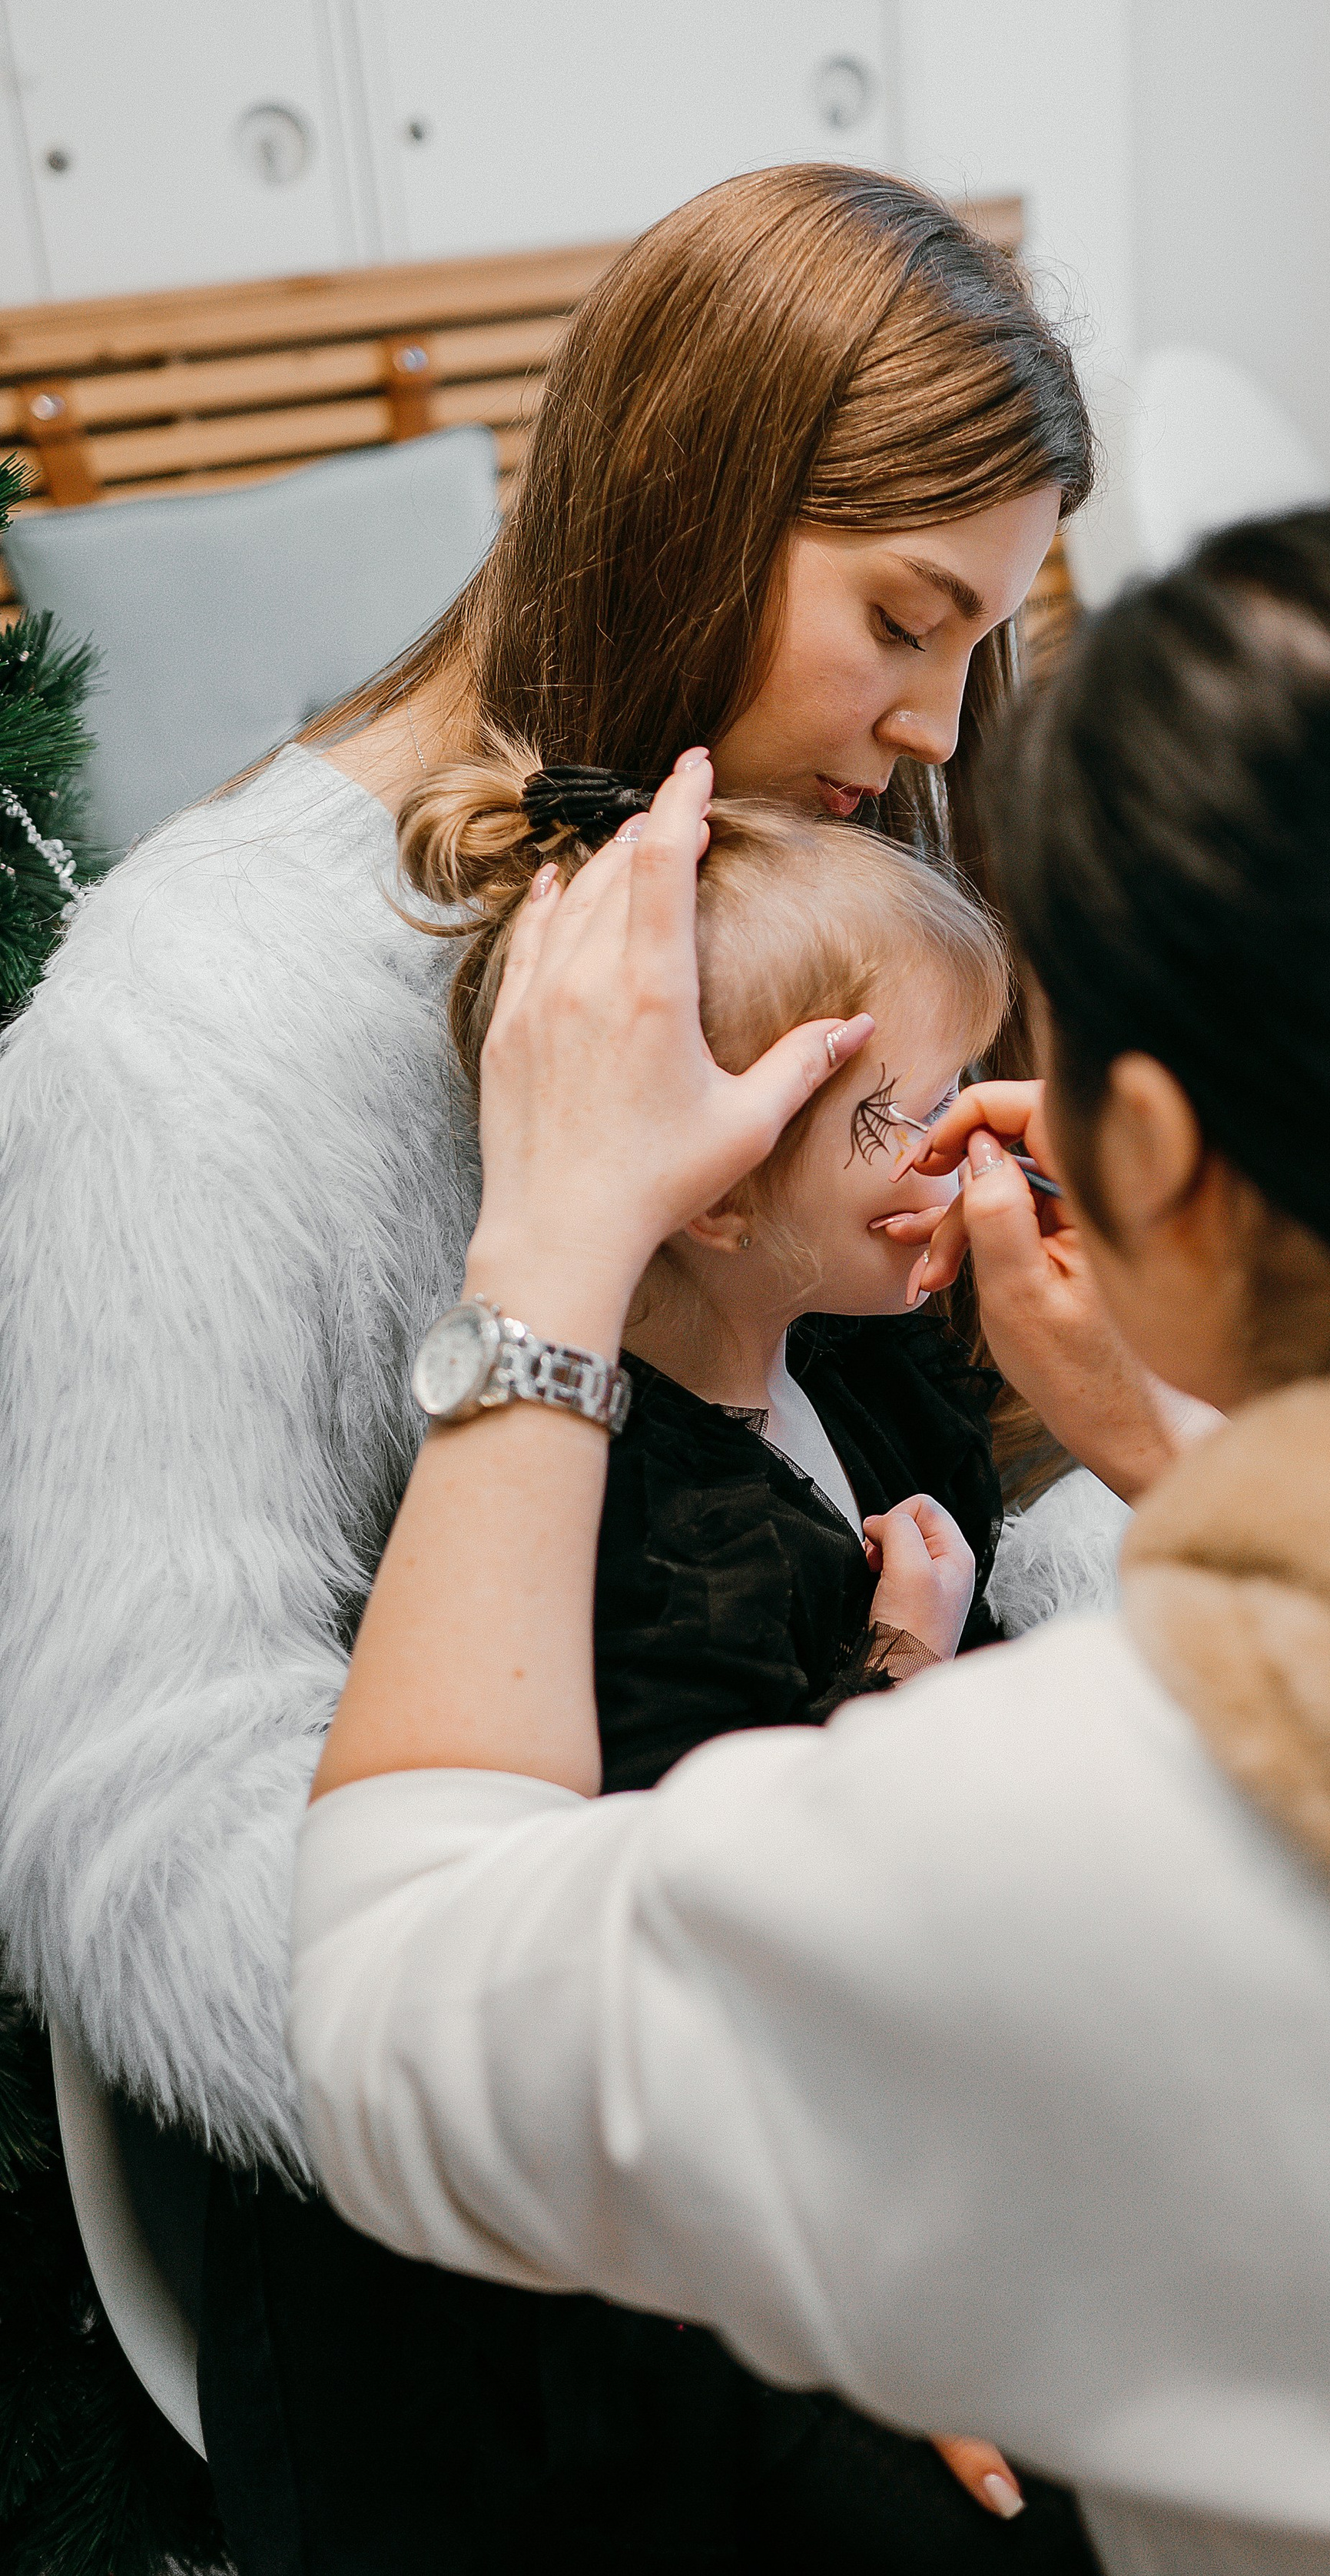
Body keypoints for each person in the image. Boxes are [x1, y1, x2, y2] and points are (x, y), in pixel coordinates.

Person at [294, 508, 1330, 2576]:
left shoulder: (1085, 1818)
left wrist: (548, 1239)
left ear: (1156, 1151)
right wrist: (1198, 1461)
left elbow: (387, 2020)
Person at [0, 161, 1146, 2562]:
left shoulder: (777, 850)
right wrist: (721, 2109)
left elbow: (934, 1448)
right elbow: (129, 1831)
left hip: (805, 1936)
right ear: (698, 509)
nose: (938, 723)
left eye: (985, 638)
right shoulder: (184, 1035)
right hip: (510, 2194)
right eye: (905, 623)